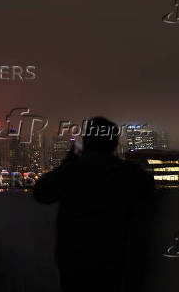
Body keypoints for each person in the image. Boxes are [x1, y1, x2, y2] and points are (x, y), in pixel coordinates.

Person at [34, 117, 155, 291]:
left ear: (87, 141)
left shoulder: (71, 172)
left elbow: (41, 193)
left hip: (74, 262)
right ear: (113, 143)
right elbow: (147, 189)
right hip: (114, 259)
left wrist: (69, 161)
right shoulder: (128, 173)